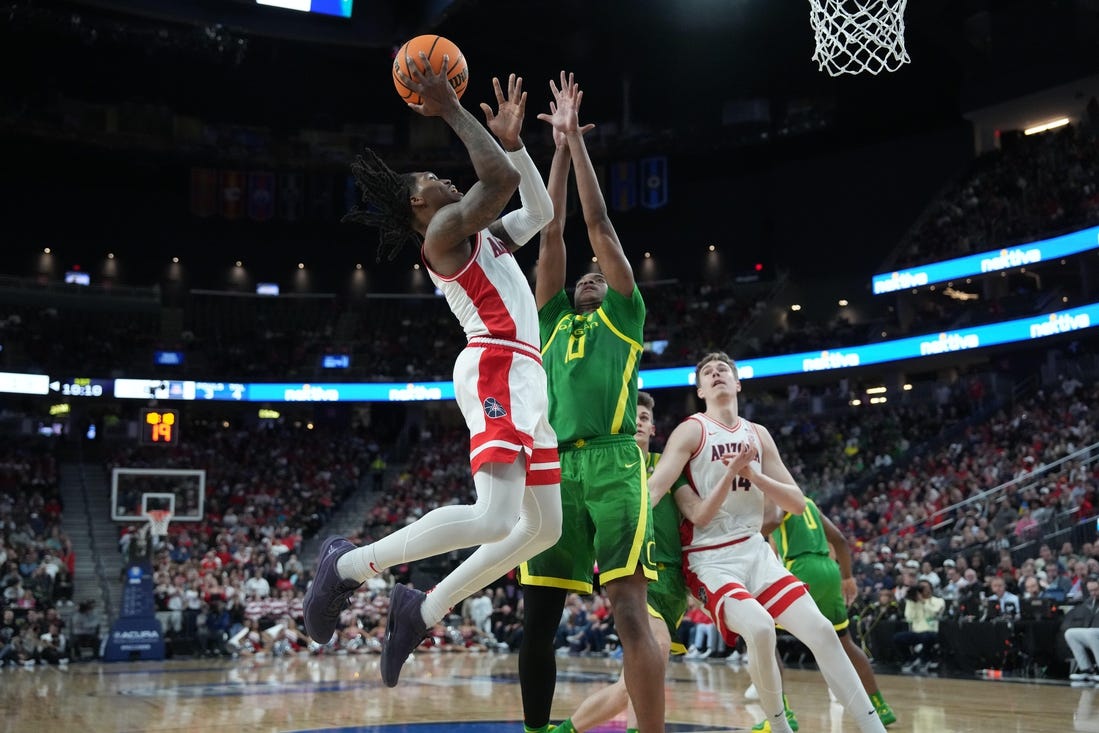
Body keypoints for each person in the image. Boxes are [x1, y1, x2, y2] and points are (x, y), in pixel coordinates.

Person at [302, 57, 563, 689]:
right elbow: (496, 180)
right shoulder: (443, 235)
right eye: (434, 178)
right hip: (496, 360)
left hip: (527, 374)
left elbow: (541, 212)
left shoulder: (484, 236)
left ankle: (422, 606)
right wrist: (449, 107)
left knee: (544, 527)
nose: (446, 178)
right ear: (420, 202)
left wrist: (516, 141)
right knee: (498, 517)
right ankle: (348, 565)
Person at [517, 72, 664, 733]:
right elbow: (551, 237)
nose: (585, 272)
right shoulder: (549, 324)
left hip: (610, 465)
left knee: (628, 610)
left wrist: (574, 143)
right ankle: (535, 728)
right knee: (536, 619)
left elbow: (595, 222)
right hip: (552, 469)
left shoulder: (624, 314)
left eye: (595, 272)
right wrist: (547, 150)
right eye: (582, 274)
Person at [646, 352, 886, 733]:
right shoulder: (692, 430)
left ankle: (874, 728)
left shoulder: (758, 435)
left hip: (756, 552)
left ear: (737, 383)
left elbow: (795, 501)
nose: (716, 374)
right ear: (701, 389)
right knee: (759, 628)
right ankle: (779, 725)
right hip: (709, 559)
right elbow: (656, 487)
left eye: (723, 369)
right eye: (707, 372)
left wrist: (754, 475)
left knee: (823, 632)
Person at [555, 391, 688, 733]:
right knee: (654, 650)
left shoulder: (668, 465)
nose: (639, 423)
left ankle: (564, 730)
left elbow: (697, 514)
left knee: (631, 685)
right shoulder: (610, 473)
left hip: (674, 582)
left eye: (645, 418)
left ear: (653, 428)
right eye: (634, 418)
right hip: (637, 574)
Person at [755, 497, 896, 726]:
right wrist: (848, 576)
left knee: (764, 638)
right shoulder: (809, 502)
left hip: (800, 568)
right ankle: (880, 706)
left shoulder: (778, 498)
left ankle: (782, 716)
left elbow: (773, 520)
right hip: (830, 570)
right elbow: (839, 540)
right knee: (846, 643)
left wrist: (743, 535)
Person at [891, 579, 945, 673]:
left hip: (931, 631)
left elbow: (935, 613)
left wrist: (923, 602)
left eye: (924, 587)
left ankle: (925, 660)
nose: (922, 590)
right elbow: (909, 617)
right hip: (916, 632)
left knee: (927, 637)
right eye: (920, 588)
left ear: (930, 589)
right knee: (897, 638)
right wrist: (913, 602)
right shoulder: (912, 602)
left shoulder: (938, 601)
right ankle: (910, 659)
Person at [1064, 577, 1099, 682]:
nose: (1093, 593)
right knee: (1070, 633)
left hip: (1094, 633)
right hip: (1094, 633)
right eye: (1091, 591)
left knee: (1091, 633)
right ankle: (1087, 669)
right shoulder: (1090, 602)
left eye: (1096, 590)